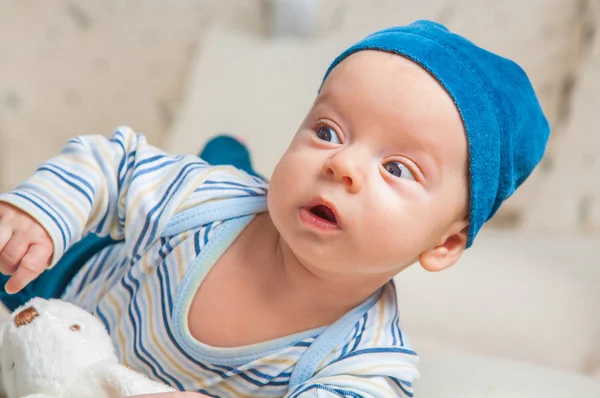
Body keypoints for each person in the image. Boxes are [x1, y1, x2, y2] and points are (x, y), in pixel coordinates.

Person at [0, 20, 550, 397]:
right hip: (72, 286)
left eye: (397, 168)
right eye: (328, 130)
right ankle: (226, 153)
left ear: (444, 243)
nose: (344, 165)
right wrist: (41, 213)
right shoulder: (205, 202)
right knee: (21, 256)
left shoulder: (366, 362)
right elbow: (115, 163)